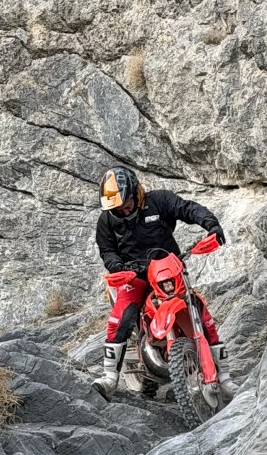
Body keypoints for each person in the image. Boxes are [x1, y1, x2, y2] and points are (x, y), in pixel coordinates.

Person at [91, 166, 234, 396]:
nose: (122, 210)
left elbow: (188, 209)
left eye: (124, 203)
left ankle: (225, 377)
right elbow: (107, 251)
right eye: (116, 208)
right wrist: (117, 266)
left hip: (167, 269)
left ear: (136, 192)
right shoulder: (106, 221)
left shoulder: (159, 201)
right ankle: (109, 377)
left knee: (199, 310)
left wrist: (211, 224)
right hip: (133, 275)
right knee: (123, 314)